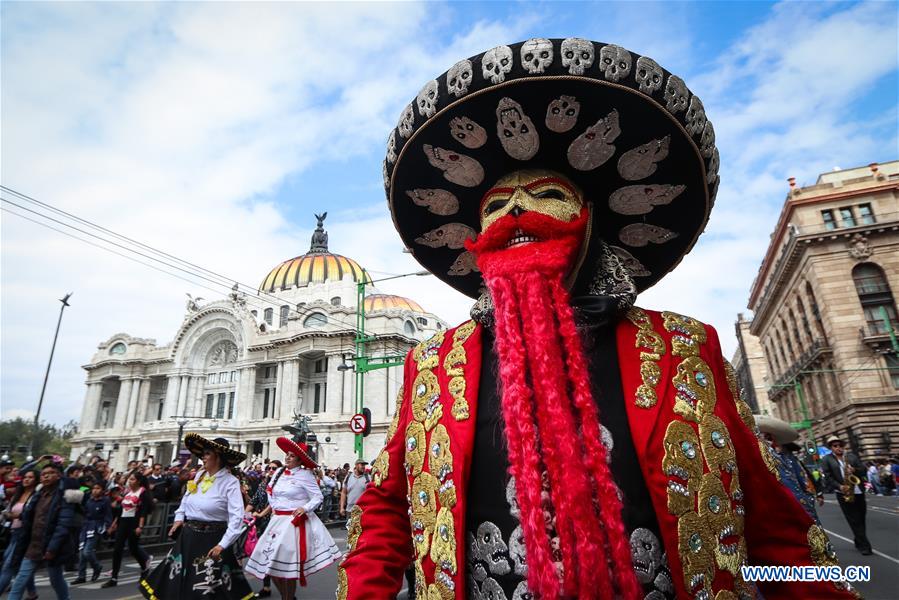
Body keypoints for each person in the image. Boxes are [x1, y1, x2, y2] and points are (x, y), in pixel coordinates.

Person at [337, 38, 856, 600]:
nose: (514, 211)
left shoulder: (685, 347)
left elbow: (778, 536)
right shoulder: (432, 365)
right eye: (494, 206)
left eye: (546, 195)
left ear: (588, 221)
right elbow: (387, 515)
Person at [140, 433, 253, 599]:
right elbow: (186, 500)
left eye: (207, 454)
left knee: (207, 585)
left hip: (213, 540)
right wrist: (179, 519)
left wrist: (222, 545)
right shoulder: (199, 477)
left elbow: (237, 517)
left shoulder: (230, 482)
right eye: (203, 453)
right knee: (178, 581)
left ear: (218, 457)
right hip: (189, 537)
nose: (203, 457)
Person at [246, 437, 340, 599]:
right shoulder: (278, 473)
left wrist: (304, 508)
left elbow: (317, 497)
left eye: (292, 456)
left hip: (293, 524)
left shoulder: (306, 475)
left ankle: (288, 598)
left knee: (287, 569)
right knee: (270, 566)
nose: (287, 457)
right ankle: (287, 596)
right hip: (276, 523)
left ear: (299, 459)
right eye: (287, 454)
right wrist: (274, 509)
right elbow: (270, 492)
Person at [8, 463, 81, 600]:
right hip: (33, 545)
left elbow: (63, 524)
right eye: (43, 474)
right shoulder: (38, 494)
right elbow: (29, 516)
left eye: (50, 473)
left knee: (56, 580)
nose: (46, 476)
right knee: (20, 581)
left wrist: (52, 548)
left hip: (52, 546)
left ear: (58, 475)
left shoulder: (65, 496)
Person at [821, 435, 872, 555]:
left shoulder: (851, 456)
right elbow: (828, 477)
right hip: (843, 493)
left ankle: (859, 539)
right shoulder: (826, 459)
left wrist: (855, 470)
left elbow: (863, 470)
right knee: (853, 519)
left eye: (840, 445)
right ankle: (865, 546)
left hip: (858, 491)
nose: (839, 448)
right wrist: (839, 486)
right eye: (835, 446)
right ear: (831, 448)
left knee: (861, 518)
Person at [101, 470, 153, 588]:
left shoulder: (142, 492)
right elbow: (121, 511)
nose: (130, 481)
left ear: (139, 481)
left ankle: (145, 566)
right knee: (117, 549)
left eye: (133, 479)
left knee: (133, 548)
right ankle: (114, 578)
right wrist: (113, 525)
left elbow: (143, 511)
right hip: (123, 522)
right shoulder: (127, 492)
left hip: (134, 523)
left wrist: (140, 526)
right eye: (129, 479)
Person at [0, 469, 38, 597]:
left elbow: (33, 515)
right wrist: (8, 514)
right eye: (25, 477)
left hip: (25, 534)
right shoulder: (18, 493)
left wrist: (20, 515)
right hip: (13, 532)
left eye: (31, 477)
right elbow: (8, 510)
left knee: (9, 566)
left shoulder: (35, 496)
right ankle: (32, 592)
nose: (26, 479)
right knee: (16, 565)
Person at [72, 481, 113, 584]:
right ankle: (81, 576)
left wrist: (108, 526)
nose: (95, 490)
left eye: (98, 488)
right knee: (81, 552)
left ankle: (97, 566)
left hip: (96, 526)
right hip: (86, 525)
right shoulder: (88, 500)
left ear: (102, 490)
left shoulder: (105, 501)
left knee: (87, 551)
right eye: (94, 488)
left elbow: (108, 514)